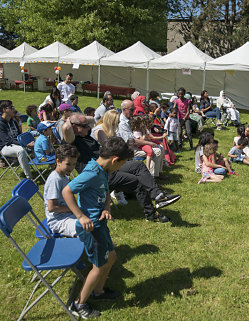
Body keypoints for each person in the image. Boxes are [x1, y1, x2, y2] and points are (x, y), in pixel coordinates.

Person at [64, 113, 180, 222]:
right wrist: (68, 120)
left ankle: (158, 196)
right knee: (136, 181)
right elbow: (66, 128)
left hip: (109, 166)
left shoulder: (85, 134)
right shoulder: (72, 140)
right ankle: (151, 214)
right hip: (98, 175)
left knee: (138, 165)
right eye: (84, 126)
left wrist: (79, 120)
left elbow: (91, 119)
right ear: (74, 127)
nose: (88, 127)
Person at [63, 137, 132, 318]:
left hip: (100, 223)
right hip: (91, 228)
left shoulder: (101, 169)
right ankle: (79, 304)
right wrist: (81, 216)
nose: (119, 169)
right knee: (99, 267)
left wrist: (107, 207)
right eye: (121, 164)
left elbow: (105, 191)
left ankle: (98, 292)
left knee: (112, 256)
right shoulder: (92, 172)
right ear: (115, 159)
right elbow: (67, 191)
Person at [117, 100, 165, 178]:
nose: (134, 111)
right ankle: (151, 177)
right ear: (124, 109)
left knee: (159, 148)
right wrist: (150, 143)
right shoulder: (123, 123)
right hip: (129, 149)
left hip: (135, 146)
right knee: (157, 151)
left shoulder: (128, 119)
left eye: (134, 109)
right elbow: (131, 141)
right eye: (132, 110)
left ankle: (157, 174)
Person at [0, 100, 33, 179]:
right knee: (21, 151)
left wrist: (29, 142)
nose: (13, 109)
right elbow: (7, 141)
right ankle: (29, 177)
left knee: (38, 143)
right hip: (5, 147)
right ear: (4, 110)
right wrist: (25, 144)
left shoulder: (13, 121)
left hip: (16, 143)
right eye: (11, 107)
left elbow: (19, 135)